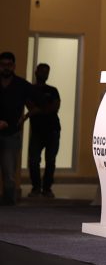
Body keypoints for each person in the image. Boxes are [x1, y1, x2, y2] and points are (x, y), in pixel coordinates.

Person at [0, 51, 32, 205]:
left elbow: (39, 103)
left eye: (9, 65)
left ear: (14, 66)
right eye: (3, 65)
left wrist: (25, 117)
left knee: (9, 172)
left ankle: (9, 205)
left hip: (12, 134)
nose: (6, 67)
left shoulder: (21, 85)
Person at [26, 63, 61, 198]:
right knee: (33, 160)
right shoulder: (30, 90)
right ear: (36, 72)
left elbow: (55, 108)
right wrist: (45, 108)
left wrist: (38, 109)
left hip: (53, 130)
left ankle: (47, 188)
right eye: (42, 71)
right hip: (37, 131)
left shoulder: (53, 90)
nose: (44, 74)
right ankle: (36, 188)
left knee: (50, 161)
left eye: (47, 72)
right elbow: (30, 107)